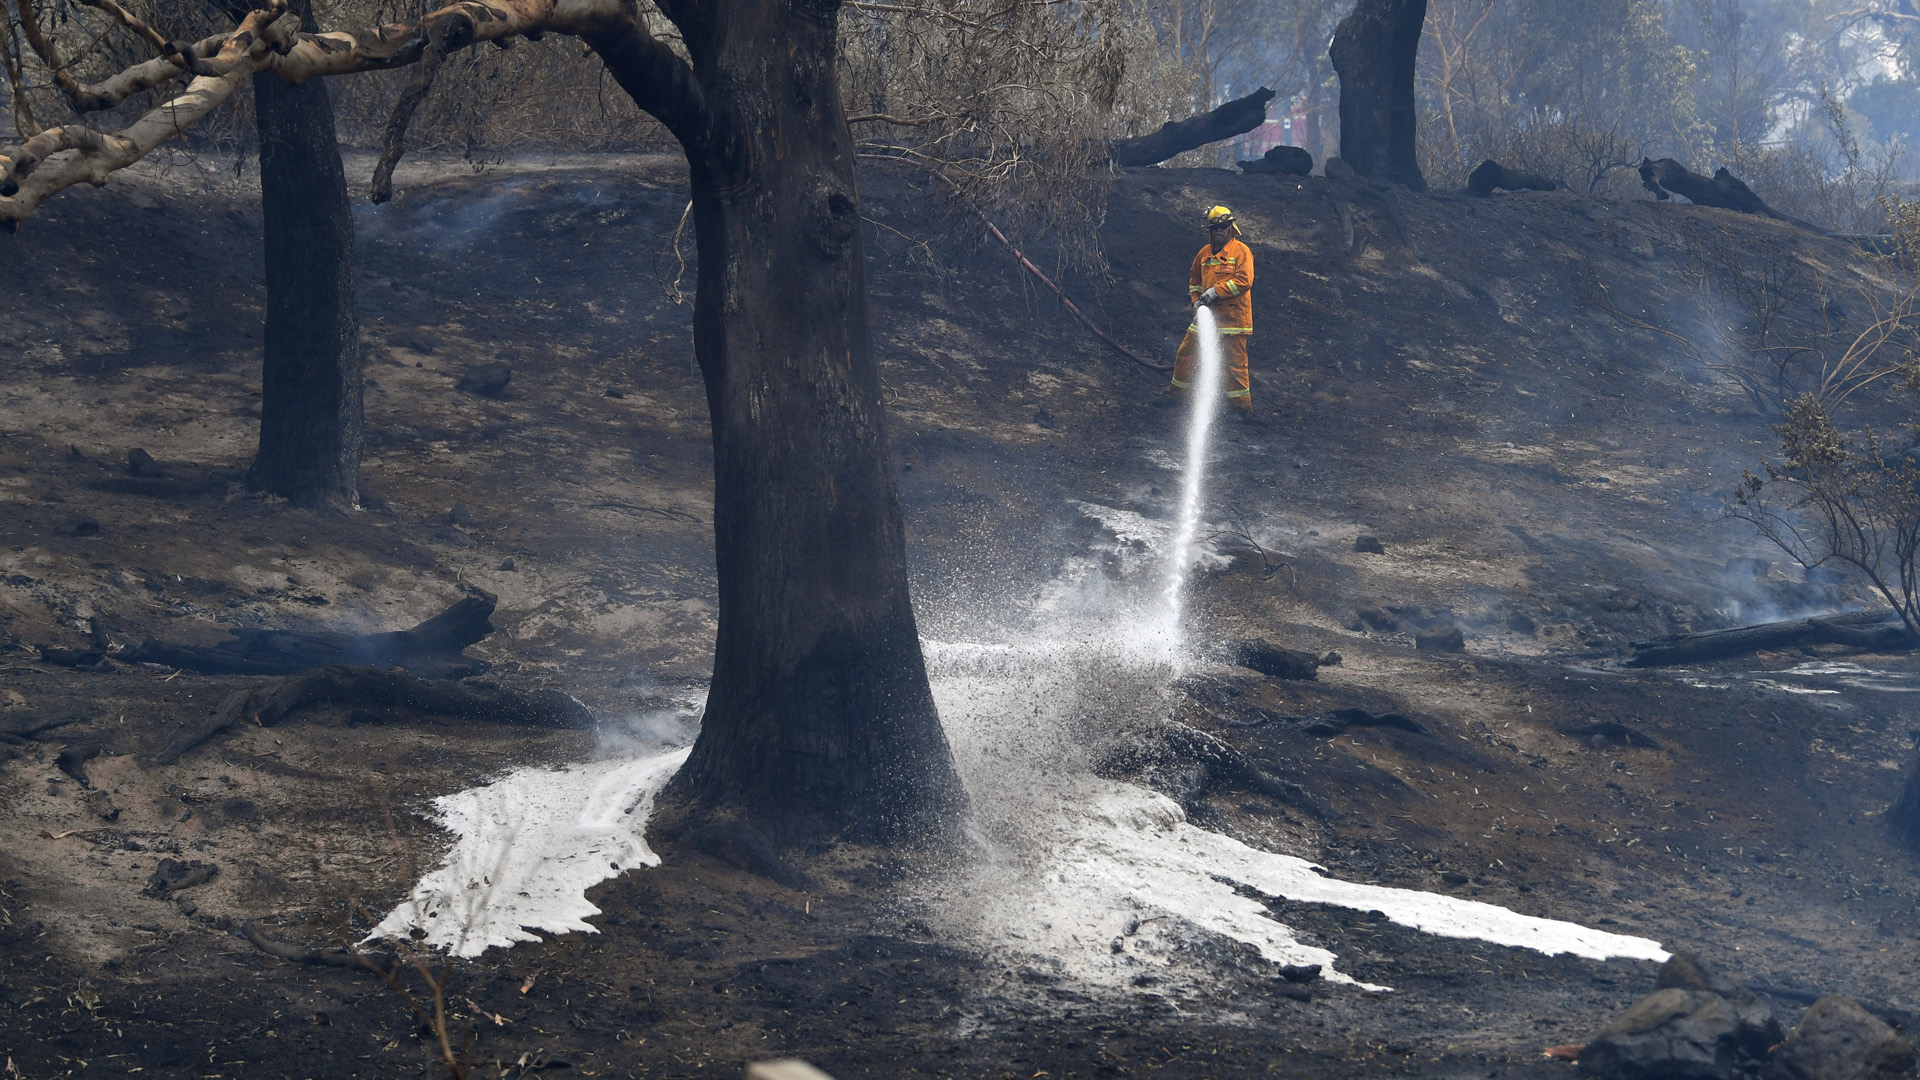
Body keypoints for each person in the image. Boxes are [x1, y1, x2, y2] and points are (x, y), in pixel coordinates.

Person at [1160, 205, 1254, 413]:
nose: (1219, 230)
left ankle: (1240, 408)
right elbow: (1194, 280)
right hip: (1207, 316)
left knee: (1234, 365)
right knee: (1187, 353)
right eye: (1215, 227)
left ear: (1231, 228)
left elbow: (1244, 280)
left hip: (1233, 319)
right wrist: (1196, 300)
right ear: (1210, 230)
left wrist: (1216, 292)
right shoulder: (1204, 254)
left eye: (1223, 226)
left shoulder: (1241, 252)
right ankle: (1176, 395)